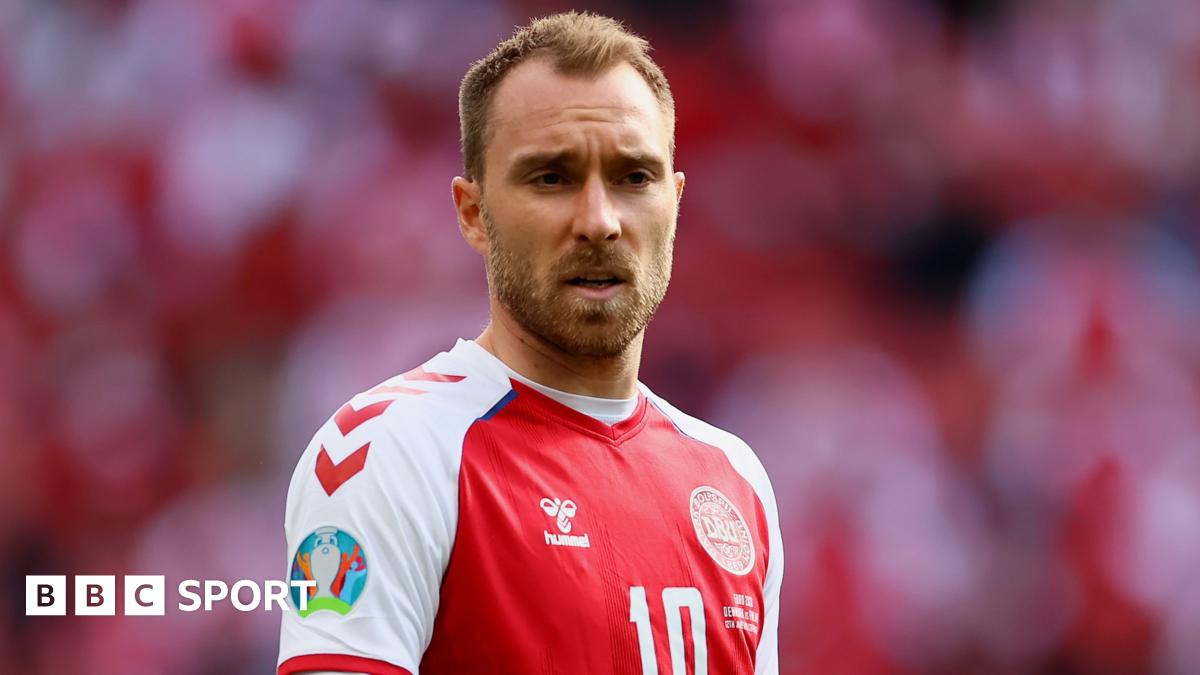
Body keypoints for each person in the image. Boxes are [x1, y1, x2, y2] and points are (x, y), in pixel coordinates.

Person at [278, 11, 782, 675]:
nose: (599, 221)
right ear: (473, 214)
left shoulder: (735, 479)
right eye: (552, 178)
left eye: (634, 177)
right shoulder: (388, 453)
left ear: (675, 201)